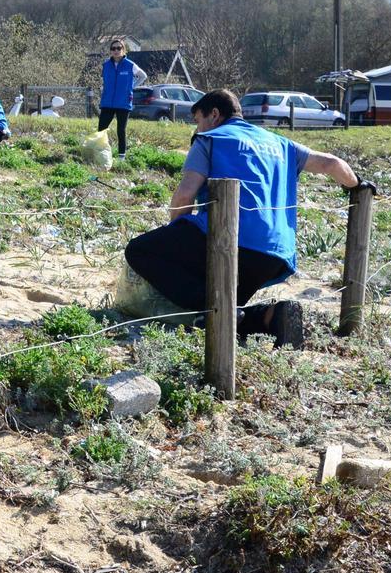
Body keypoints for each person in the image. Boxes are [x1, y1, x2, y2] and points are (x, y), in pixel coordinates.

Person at [123, 89, 370, 348]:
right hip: (275, 255)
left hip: (226, 242)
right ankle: (270, 317)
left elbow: (184, 195)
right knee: (229, 308)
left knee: (139, 251)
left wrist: (175, 234)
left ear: (214, 115)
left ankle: (211, 308)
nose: (197, 127)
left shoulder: (210, 138)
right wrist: (358, 185)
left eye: (198, 119)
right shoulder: (281, 143)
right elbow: (331, 164)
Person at [98, 38, 147, 160]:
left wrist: (131, 87)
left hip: (123, 102)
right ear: (110, 51)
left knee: (121, 130)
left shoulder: (130, 65)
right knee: (101, 129)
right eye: (113, 48)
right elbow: (104, 82)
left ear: (123, 50)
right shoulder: (106, 65)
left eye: (118, 48)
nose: (116, 50)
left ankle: (121, 157)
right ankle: (100, 153)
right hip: (107, 102)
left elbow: (143, 76)